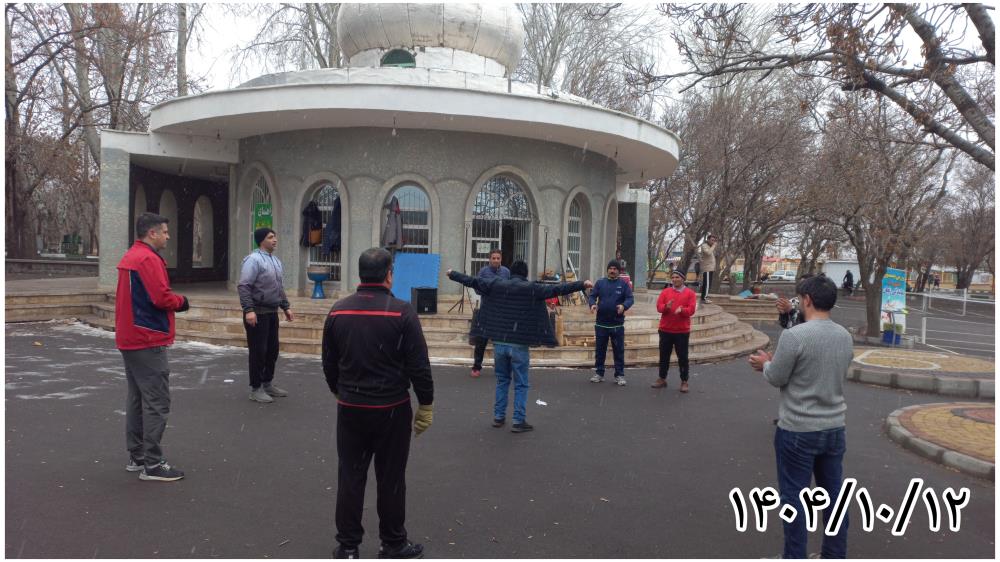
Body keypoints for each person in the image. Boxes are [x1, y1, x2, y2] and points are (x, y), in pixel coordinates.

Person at [322, 248, 434, 560]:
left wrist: (340, 391)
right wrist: (426, 403)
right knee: (391, 479)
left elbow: (329, 362)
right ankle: (393, 543)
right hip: (391, 409)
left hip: (351, 408)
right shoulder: (402, 312)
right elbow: (419, 366)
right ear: (388, 275)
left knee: (350, 477)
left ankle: (348, 546)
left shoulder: (338, 311)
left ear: (360, 274)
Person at [748, 275, 853, 559]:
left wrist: (765, 364)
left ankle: (794, 556)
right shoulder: (844, 336)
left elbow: (777, 376)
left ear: (807, 300)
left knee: (794, 499)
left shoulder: (795, 336)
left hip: (798, 429)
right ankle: (834, 555)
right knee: (833, 497)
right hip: (834, 427)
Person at [448, 261, 591, 432]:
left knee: (502, 381)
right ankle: (518, 420)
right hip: (519, 344)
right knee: (521, 383)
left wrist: (452, 274)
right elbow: (558, 289)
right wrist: (582, 284)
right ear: (525, 273)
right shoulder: (532, 288)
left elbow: (472, 281)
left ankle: (499, 417)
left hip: (500, 342)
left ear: (511, 273)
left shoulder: (497, 285)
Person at [115, 212, 190, 482]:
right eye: (165, 232)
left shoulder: (132, 255)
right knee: (157, 401)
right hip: (147, 338)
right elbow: (161, 298)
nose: (168, 237)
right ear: (152, 233)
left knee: (138, 399)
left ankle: (138, 456)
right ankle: (153, 464)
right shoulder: (148, 259)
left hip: (131, 337)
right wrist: (182, 302)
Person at [238, 227, 295, 403]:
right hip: (257, 313)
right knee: (258, 351)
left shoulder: (275, 261)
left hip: (271, 312)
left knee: (272, 350)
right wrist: (249, 310)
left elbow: (279, 287)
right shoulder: (253, 260)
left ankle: (267, 383)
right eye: (270, 237)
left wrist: (285, 307)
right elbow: (244, 286)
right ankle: (256, 388)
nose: (275, 240)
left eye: (275, 237)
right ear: (261, 240)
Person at [587, 260, 634, 385]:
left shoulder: (623, 284)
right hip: (601, 324)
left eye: (615, 269)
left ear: (618, 271)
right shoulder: (600, 283)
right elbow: (592, 296)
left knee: (619, 351)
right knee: (600, 350)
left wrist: (624, 306)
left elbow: (630, 298)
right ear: (607, 270)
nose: (612, 271)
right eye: (610, 268)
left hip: (617, 324)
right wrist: (592, 304)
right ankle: (599, 373)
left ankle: (619, 375)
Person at [651, 269, 696, 392]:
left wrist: (682, 310)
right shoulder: (665, 292)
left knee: (683, 357)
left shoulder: (690, 293)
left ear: (683, 279)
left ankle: (684, 381)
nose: (675, 279)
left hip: (681, 331)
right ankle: (662, 379)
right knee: (664, 356)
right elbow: (659, 307)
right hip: (665, 330)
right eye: (673, 277)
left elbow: (691, 310)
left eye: (677, 277)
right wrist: (666, 307)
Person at [471, 249, 510, 378]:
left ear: (501, 259)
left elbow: (510, 288)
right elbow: (476, 287)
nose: (496, 260)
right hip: (486, 311)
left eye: (498, 258)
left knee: (500, 343)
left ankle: (501, 368)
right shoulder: (483, 272)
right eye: (493, 258)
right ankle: (476, 367)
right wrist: (487, 291)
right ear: (489, 259)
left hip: (500, 312)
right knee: (481, 341)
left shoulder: (506, 272)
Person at [697, 235, 718, 304]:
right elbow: (708, 253)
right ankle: (704, 298)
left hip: (711, 268)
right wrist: (714, 246)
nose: (713, 242)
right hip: (707, 268)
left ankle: (704, 297)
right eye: (712, 240)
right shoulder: (704, 246)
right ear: (708, 240)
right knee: (707, 284)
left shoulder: (710, 247)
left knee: (707, 284)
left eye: (714, 240)